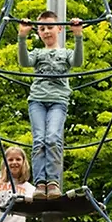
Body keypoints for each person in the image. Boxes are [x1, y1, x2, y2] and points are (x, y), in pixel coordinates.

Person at [17, 12, 84, 199]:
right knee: (39, 139)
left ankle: (52, 182)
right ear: (38, 32)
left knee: (53, 138)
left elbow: (77, 62)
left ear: (60, 28)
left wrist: (78, 36)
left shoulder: (66, 53)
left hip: (58, 101)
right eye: (42, 29)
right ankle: (40, 183)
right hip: (37, 100)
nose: (46, 31)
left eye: (50, 27)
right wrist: (22, 37)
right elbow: (24, 62)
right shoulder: (38, 53)